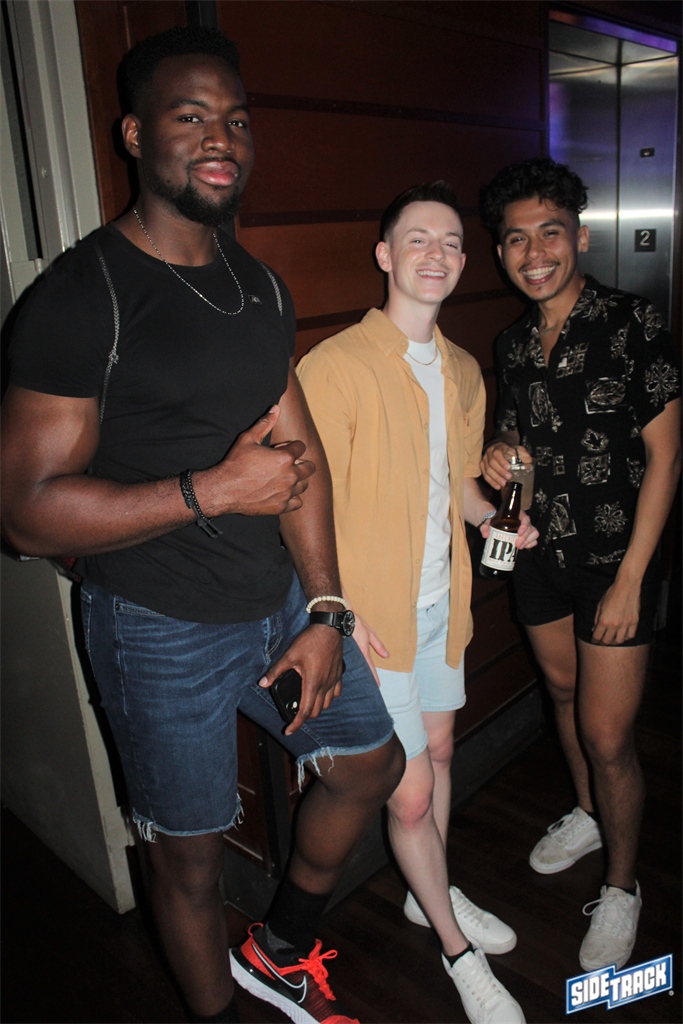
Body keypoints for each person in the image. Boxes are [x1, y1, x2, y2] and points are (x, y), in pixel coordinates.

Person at [0, 26, 406, 1024]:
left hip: (277, 601)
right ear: (135, 134)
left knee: (370, 765)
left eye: (236, 120)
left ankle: (275, 951)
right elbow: (23, 513)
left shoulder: (255, 283)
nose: (221, 138)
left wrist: (325, 608)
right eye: (190, 117)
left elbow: (300, 459)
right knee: (186, 861)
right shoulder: (80, 297)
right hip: (156, 626)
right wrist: (213, 491)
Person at [298, 182, 537, 1024]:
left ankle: (424, 890)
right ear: (384, 255)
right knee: (404, 793)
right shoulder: (333, 366)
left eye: (449, 243)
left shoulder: (463, 370)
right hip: (373, 623)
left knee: (438, 754)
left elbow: (459, 488)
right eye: (416, 239)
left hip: (442, 606)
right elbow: (299, 503)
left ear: (463, 261)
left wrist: (498, 517)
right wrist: (333, 608)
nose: (435, 254)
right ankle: (455, 949)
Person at [479, 156, 681, 973]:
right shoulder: (511, 343)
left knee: (606, 736)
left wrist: (632, 579)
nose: (534, 253)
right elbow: (516, 439)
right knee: (560, 696)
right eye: (515, 239)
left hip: (612, 562)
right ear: (500, 251)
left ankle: (623, 887)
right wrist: (500, 454)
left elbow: (666, 457)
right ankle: (588, 815)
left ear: (579, 237)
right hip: (539, 554)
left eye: (549, 233)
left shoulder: (633, 322)